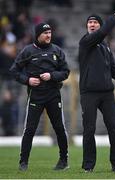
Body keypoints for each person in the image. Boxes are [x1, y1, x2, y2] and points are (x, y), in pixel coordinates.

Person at [78, 10, 115, 173]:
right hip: (88, 93)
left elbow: (114, 69)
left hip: (107, 93)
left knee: (113, 129)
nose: (92, 24)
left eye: (95, 22)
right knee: (89, 130)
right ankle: (88, 166)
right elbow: (104, 32)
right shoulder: (85, 42)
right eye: (90, 22)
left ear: (99, 25)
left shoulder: (106, 47)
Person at [10, 22, 70, 171]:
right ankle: (23, 163)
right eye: (45, 33)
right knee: (29, 130)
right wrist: (27, 80)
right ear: (37, 35)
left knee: (59, 128)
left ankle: (64, 161)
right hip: (35, 96)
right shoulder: (28, 51)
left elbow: (65, 72)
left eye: (50, 32)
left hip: (53, 95)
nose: (48, 35)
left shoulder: (57, 51)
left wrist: (52, 75)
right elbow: (14, 71)